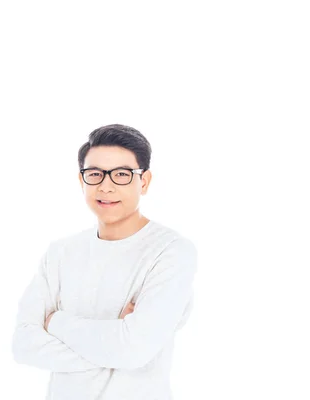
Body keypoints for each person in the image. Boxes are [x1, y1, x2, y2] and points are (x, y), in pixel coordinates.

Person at [11, 124, 198, 400]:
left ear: (143, 181)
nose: (106, 186)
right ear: (81, 180)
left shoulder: (170, 251)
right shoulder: (60, 253)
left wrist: (57, 323)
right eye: (95, 174)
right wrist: (114, 344)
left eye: (122, 174)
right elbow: (23, 345)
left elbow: (133, 349)